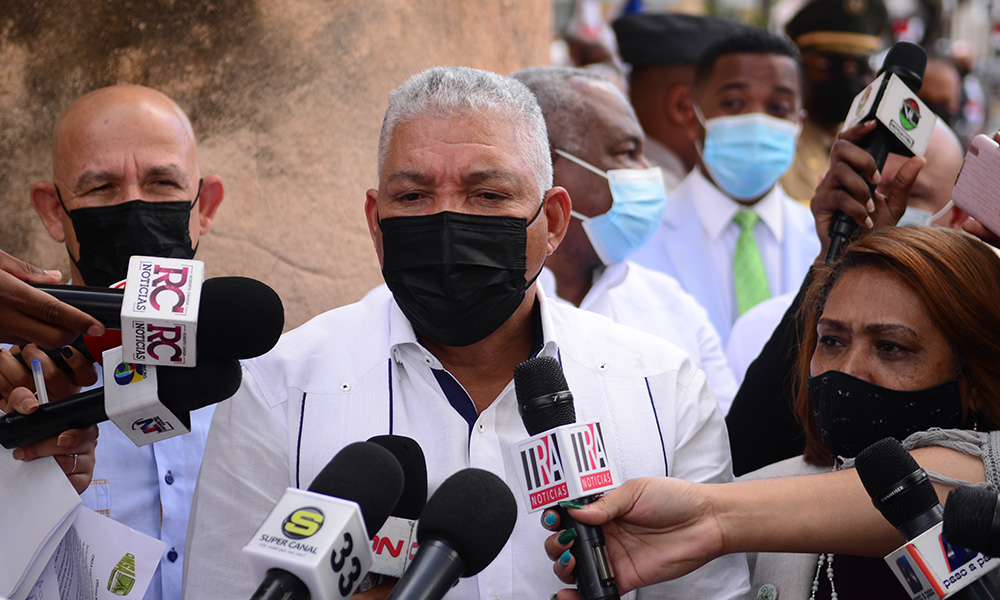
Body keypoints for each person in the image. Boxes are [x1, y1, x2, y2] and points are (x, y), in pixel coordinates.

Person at [184, 66, 749, 600]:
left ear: (553, 221)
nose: (448, 223)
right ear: (376, 223)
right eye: (414, 196)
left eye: (488, 195)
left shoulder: (663, 391)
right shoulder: (278, 390)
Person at [543, 226, 1000, 597]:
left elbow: (937, 485)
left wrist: (709, 518)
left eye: (891, 347)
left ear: (977, 379)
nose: (848, 370)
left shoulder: (743, 512)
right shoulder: (766, 492)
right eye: (831, 341)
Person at [2, 84, 225, 600]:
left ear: (205, 205)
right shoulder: (10, 387)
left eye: (162, 182)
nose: (134, 207)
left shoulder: (269, 381)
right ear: (53, 211)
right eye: (101, 187)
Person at [512, 65, 738, 413]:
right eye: (627, 152)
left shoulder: (673, 307)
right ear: (547, 163)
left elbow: (725, 434)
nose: (647, 172)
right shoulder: (489, 313)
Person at [725, 119, 967, 387]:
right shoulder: (763, 328)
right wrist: (835, 260)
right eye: (832, 342)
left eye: (909, 194)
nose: (875, 206)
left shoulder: (979, 329)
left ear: (958, 215)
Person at [631, 27, 819, 344]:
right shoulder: (641, 240)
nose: (756, 121)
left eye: (778, 107)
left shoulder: (822, 242)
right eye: (733, 103)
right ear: (691, 118)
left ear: (798, 126)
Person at [611, 12, 739, 190]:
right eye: (733, 103)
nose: (747, 119)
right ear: (683, 107)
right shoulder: (663, 196)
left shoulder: (623, 183)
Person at [780, 0, 890, 203]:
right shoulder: (778, 144)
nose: (848, 77)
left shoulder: (873, 147)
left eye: (860, 68)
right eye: (831, 65)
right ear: (798, 65)